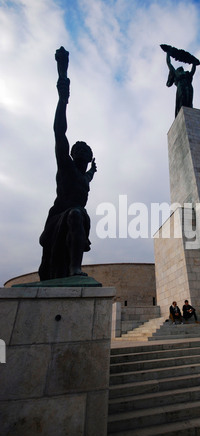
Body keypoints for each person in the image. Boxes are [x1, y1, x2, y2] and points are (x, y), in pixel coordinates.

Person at [38, 47, 97, 281]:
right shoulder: (65, 165)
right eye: (78, 150)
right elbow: (59, 131)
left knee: (79, 215)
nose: (81, 152)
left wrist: (93, 171)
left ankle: (76, 264)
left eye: (85, 151)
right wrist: (63, 100)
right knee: (75, 213)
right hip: (60, 216)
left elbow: (89, 177)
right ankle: (74, 269)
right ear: (72, 154)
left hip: (79, 216)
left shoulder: (85, 177)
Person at [166, 51, 197, 117]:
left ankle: (189, 114)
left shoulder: (186, 74)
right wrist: (168, 53)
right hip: (181, 87)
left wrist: (194, 64)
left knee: (189, 101)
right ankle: (181, 114)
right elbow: (169, 63)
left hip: (189, 86)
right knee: (182, 101)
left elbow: (192, 72)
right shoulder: (176, 74)